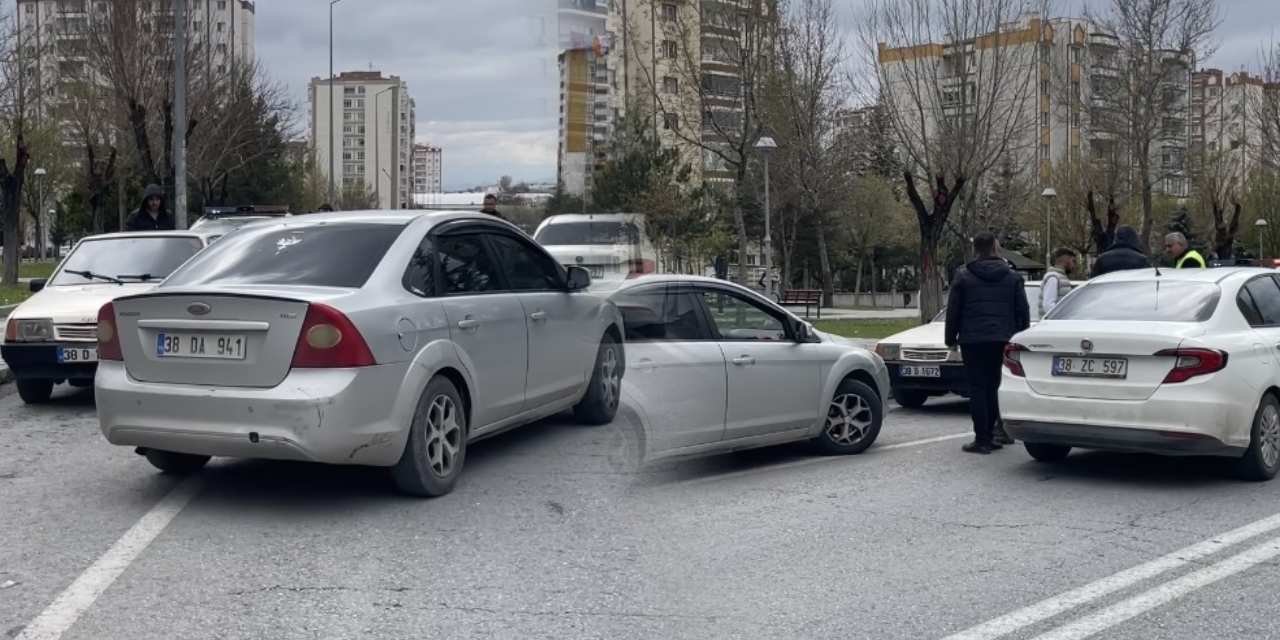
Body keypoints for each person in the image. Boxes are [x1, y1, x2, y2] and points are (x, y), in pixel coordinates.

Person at [945, 232, 1031, 455]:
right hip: (1002, 338)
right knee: (994, 385)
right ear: (996, 248)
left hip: (972, 340)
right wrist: (1021, 337)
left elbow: (953, 310)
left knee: (977, 388)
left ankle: (981, 438)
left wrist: (950, 339)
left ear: (975, 250)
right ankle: (994, 433)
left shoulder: (963, 275)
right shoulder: (1013, 277)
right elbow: (1022, 311)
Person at [1040, 248, 1077, 318]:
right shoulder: (1053, 278)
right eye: (1073, 261)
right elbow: (1048, 305)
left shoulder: (1060, 277)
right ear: (1066, 260)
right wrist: (1060, 319)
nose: (1074, 266)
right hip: (1052, 325)